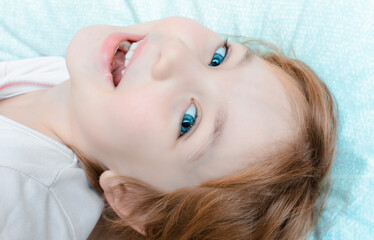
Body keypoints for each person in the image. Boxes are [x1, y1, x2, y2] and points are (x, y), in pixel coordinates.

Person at [0, 17, 338, 240]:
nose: (174, 52)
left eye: (188, 121)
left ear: (130, 198)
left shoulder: (18, 197)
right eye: (219, 58)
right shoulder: (82, 87)